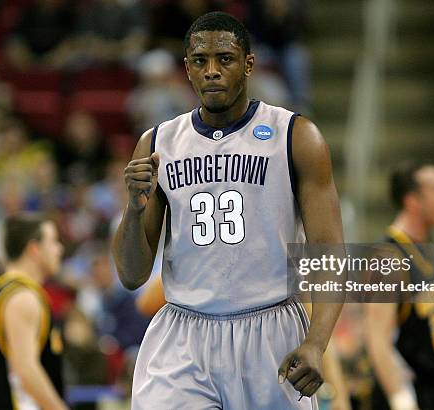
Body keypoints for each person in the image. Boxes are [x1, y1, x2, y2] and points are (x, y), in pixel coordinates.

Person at [112, 11, 345, 409]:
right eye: (200, 61)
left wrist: (316, 343)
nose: (213, 71)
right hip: (184, 333)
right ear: (187, 69)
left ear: (249, 64)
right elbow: (132, 275)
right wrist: (133, 212)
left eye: (226, 59)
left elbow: (329, 253)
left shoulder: (297, 136)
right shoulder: (158, 142)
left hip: (270, 330)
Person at [365, 162, 434, 410]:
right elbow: (377, 340)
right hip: (411, 394)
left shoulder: (429, 251)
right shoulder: (388, 256)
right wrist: (399, 397)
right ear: (413, 201)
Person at [0, 213, 67, 410]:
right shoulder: (23, 298)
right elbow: (26, 370)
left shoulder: (2, 291)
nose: (60, 249)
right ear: (34, 249)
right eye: (53, 242)